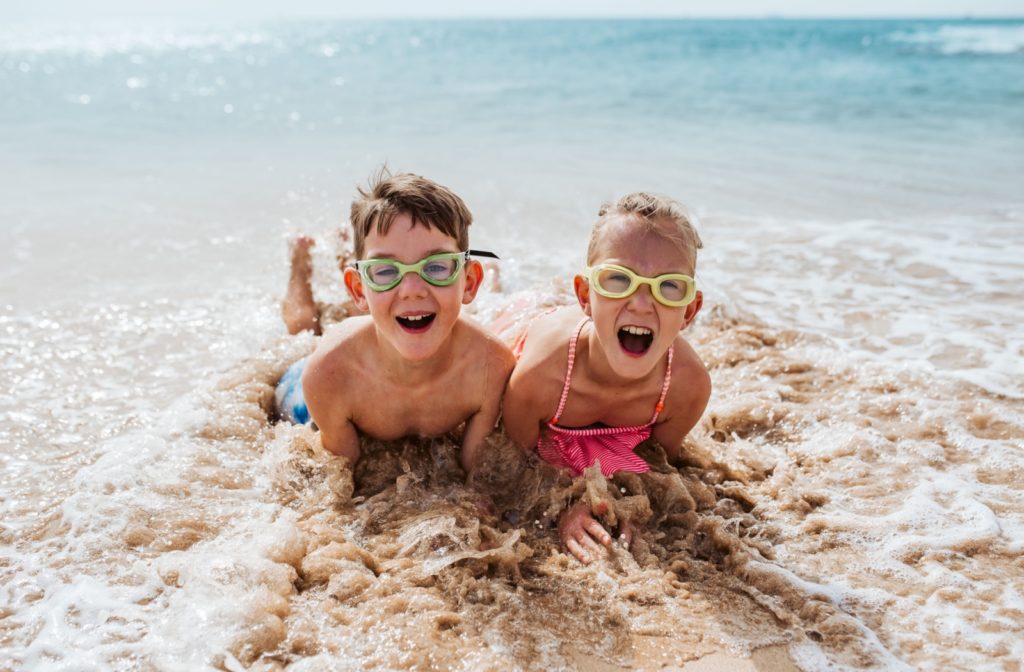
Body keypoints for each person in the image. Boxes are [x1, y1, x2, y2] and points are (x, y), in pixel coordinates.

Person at [501, 192, 711, 564]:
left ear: (689, 311)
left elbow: (655, 466)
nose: (642, 303)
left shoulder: (685, 387)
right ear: (584, 294)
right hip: (532, 328)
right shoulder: (540, 374)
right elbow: (510, 464)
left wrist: (627, 506)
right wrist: (564, 506)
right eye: (618, 280)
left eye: (668, 286)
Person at [274, 169, 516, 477]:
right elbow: (342, 482)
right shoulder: (329, 372)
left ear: (469, 283)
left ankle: (360, 260)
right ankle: (300, 259)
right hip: (308, 390)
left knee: (387, 307)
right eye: (386, 270)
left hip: (374, 330)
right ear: (358, 290)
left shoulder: (491, 368)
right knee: (302, 329)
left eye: (437, 267)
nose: (413, 290)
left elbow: (478, 478)